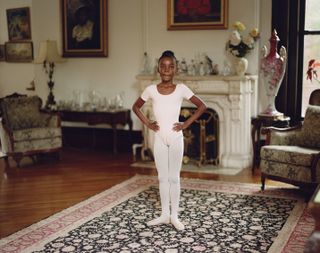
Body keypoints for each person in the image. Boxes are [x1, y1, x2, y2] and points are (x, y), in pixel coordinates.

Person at [132, 50, 207, 230]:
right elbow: (136, 107)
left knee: (174, 178)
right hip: (159, 137)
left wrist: (185, 124)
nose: (166, 69)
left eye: (170, 66)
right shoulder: (150, 90)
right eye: (163, 66)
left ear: (175, 69)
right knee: (162, 177)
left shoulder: (181, 89)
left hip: (175, 137)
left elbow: (202, 106)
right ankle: (164, 214)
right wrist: (149, 124)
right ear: (158, 68)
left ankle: (175, 216)